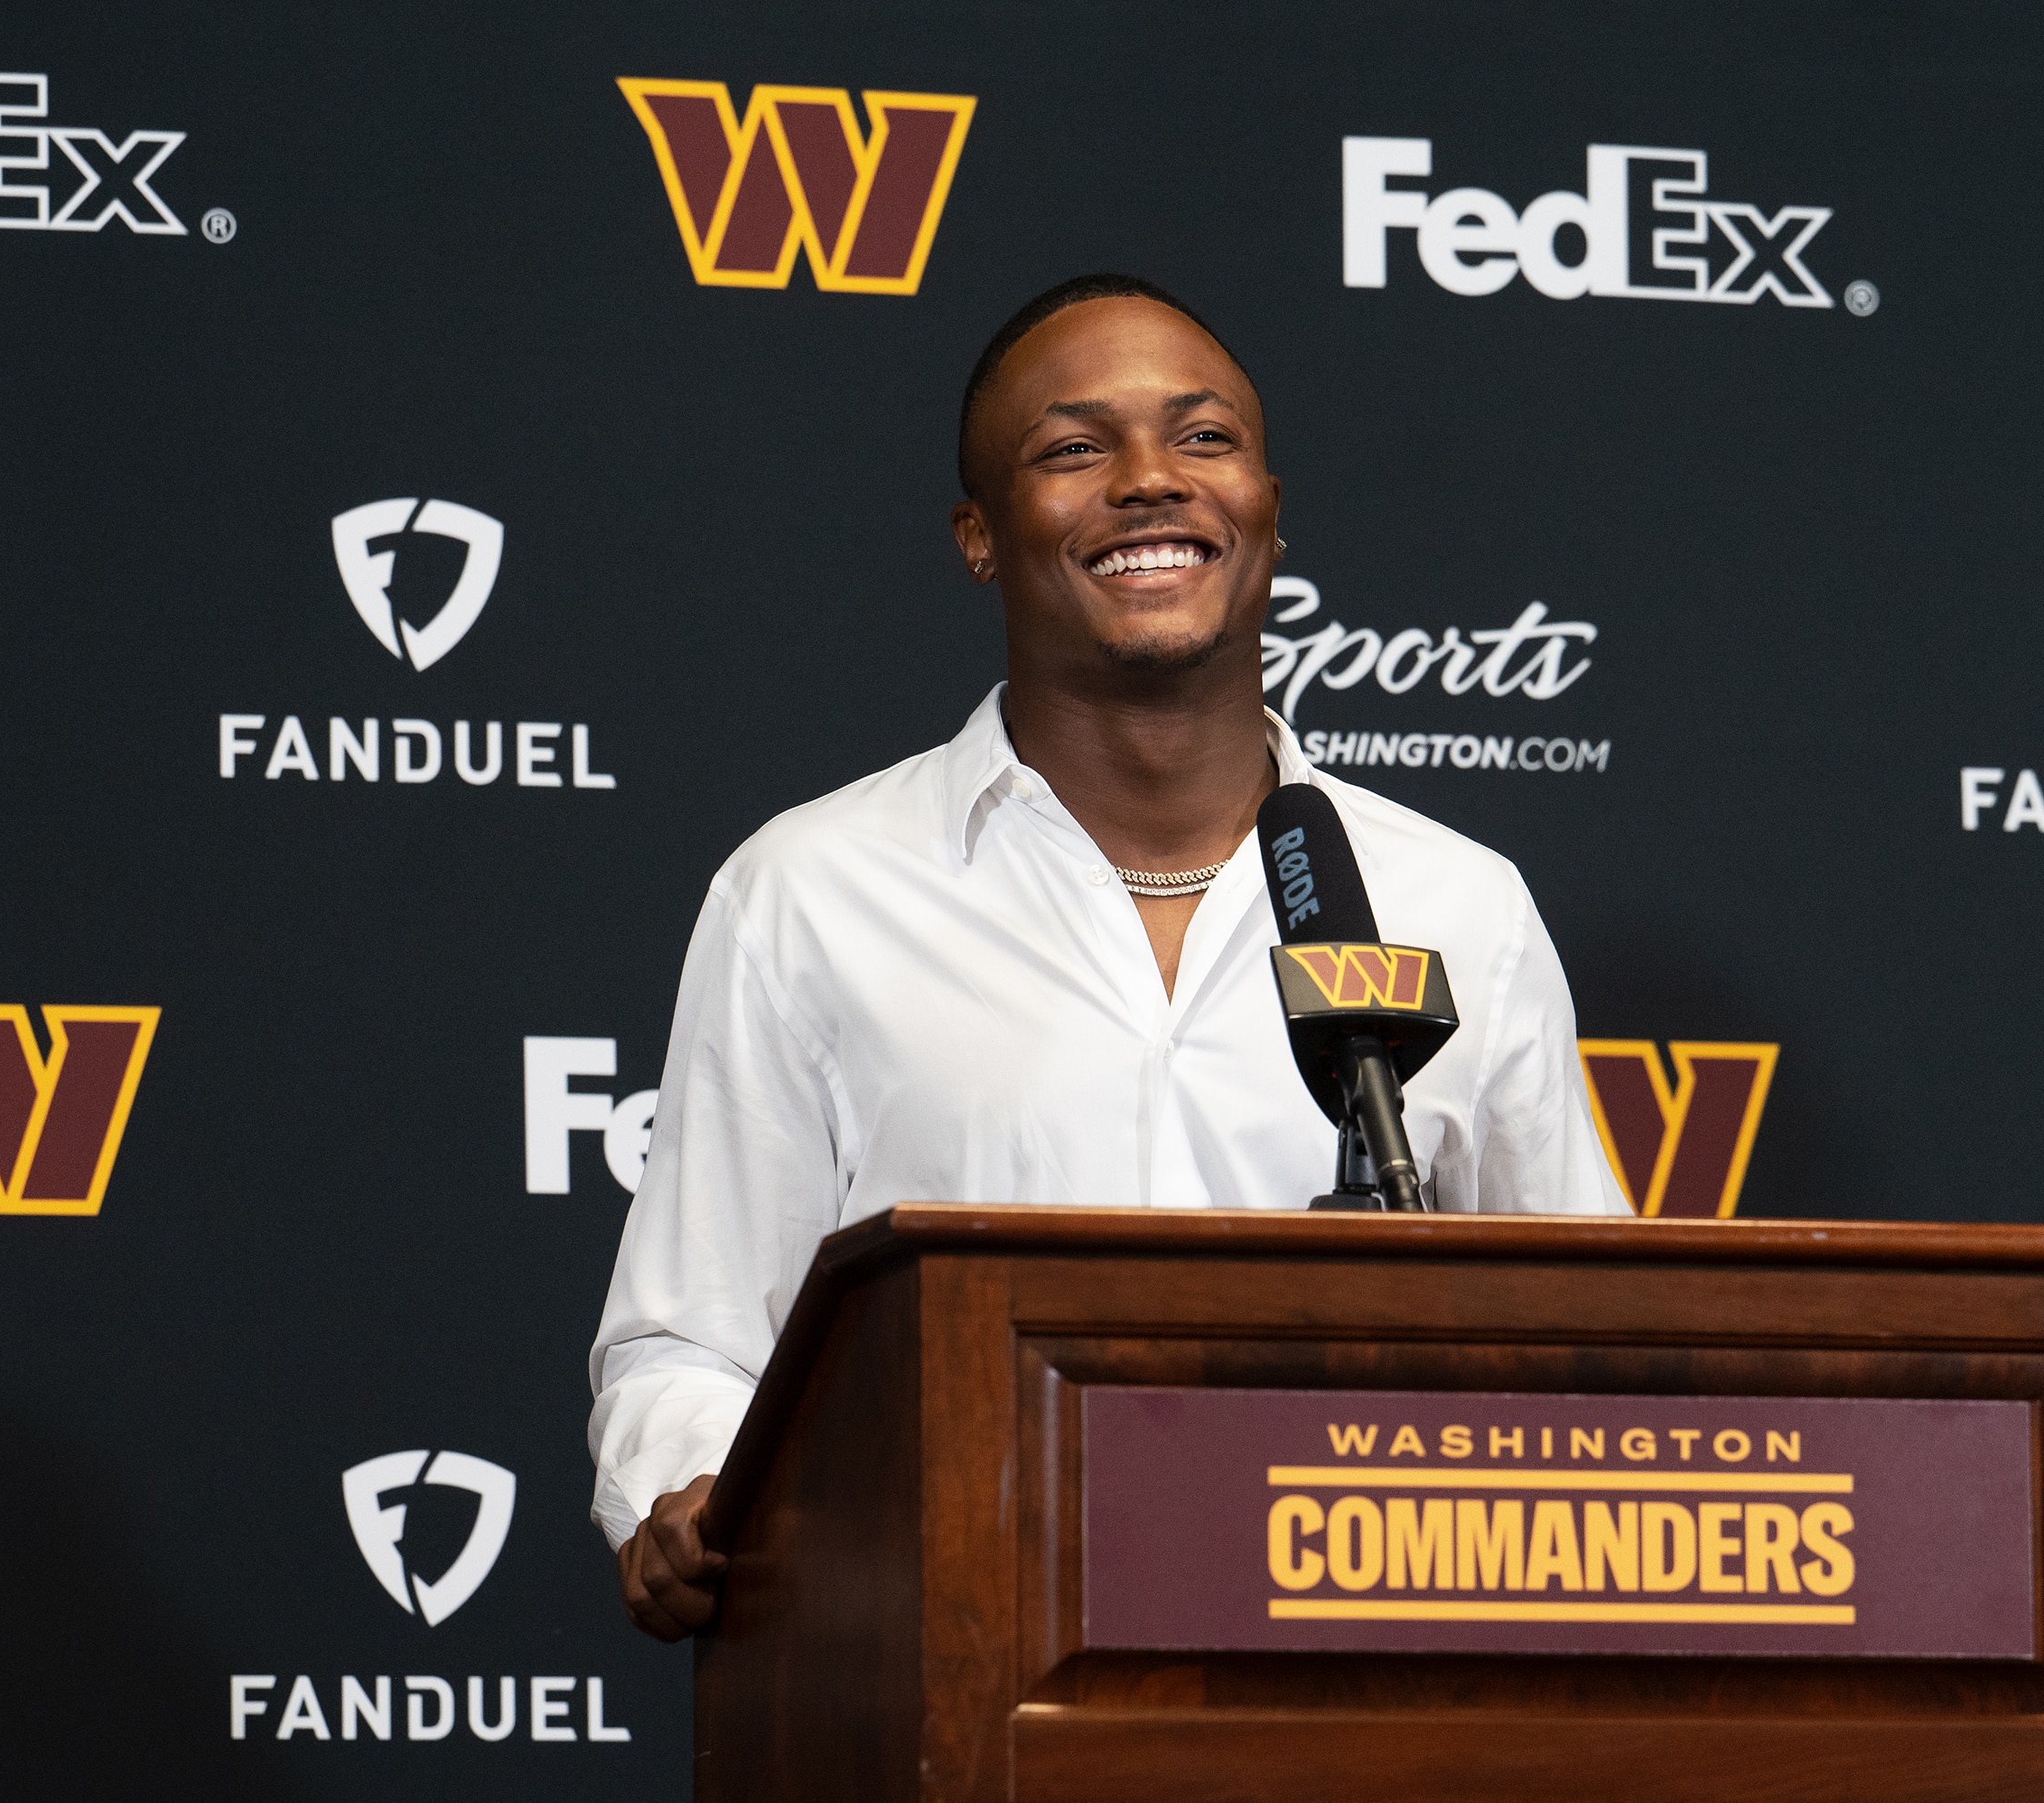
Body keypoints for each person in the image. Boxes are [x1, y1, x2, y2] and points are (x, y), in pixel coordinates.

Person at [591, 273, 1626, 1641]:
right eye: (1076, 450)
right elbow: (690, 1343)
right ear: (978, 536)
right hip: (953, 1650)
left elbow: (1603, 1344)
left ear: (1269, 507)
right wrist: (693, 1489)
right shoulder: (810, 892)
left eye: (1203, 439)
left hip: (1369, 1673)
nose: (1151, 482)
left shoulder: (1456, 903)